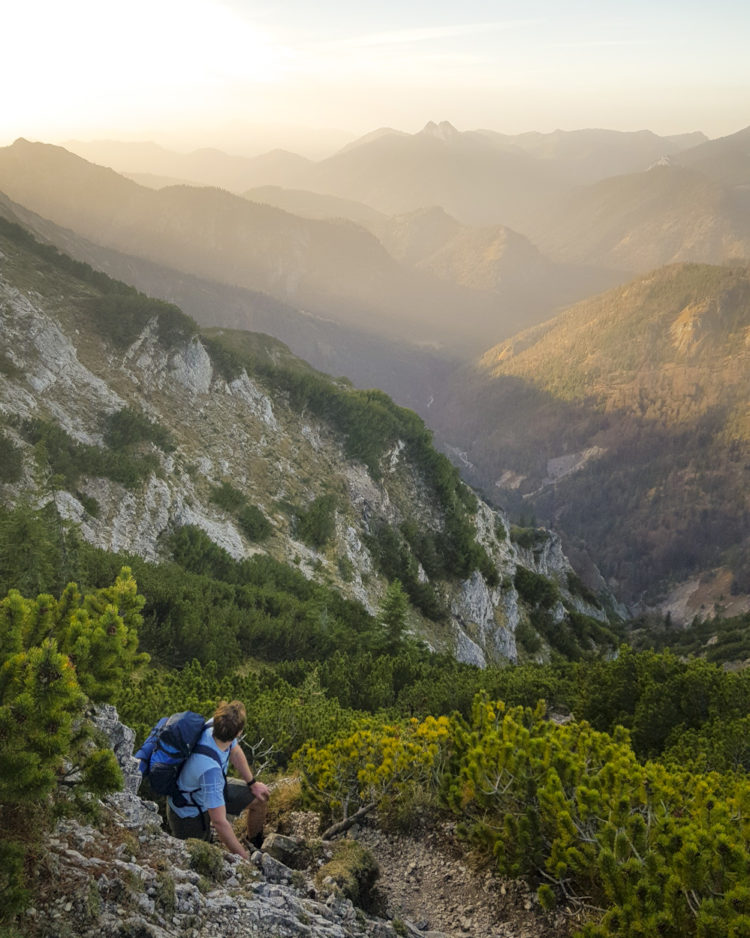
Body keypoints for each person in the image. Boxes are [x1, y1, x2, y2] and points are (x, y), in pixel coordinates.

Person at [166, 700, 270, 859]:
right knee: (199, 859)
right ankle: (245, 852)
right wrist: (244, 858)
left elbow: (235, 751)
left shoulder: (215, 727)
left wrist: (252, 783)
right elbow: (220, 823)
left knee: (260, 799)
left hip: (206, 790)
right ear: (239, 733)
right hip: (188, 812)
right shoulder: (210, 771)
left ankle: (253, 843)